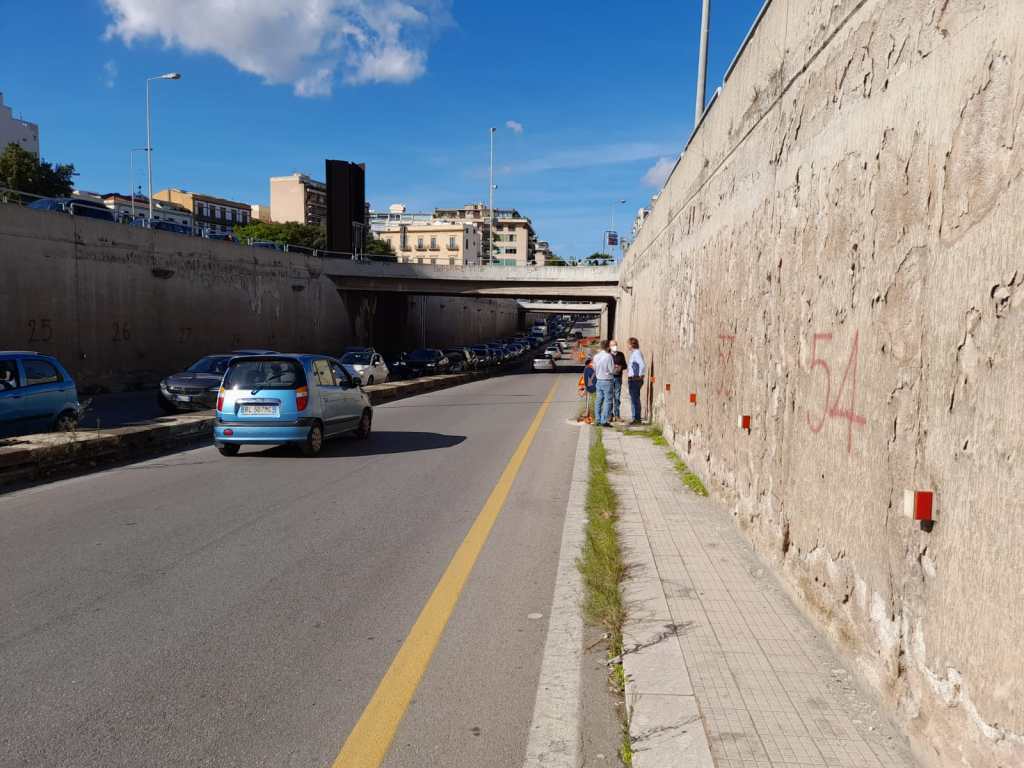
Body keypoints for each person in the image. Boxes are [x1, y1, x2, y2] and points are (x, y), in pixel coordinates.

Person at [592, 340, 615, 427]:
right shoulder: (608, 356)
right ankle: (604, 420)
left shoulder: (596, 356)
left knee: (598, 400)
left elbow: (594, 368)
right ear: (608, 347)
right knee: (607, 401)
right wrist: (616, 369)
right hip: (607, 380)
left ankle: (597, 419)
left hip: (599, 380)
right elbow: (611, 370)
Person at [627, 337, 646, 424]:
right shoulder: (634, 353)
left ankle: (637, 418)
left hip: (635, 379)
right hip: (633, 379)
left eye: (628, 344)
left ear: (631, 345)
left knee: (635, 399)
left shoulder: (636, 353)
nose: (627, 346)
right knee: (634, 398)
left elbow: (642, 364)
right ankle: (635, 417)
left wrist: (640, 375)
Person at [609, 339, 627, 423]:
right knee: (609, 397)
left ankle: (617, 415)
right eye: (613, 345)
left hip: (618, 378)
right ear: (610, 346)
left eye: (615, 345)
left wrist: (620, 367)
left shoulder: (621, 354)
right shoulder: (608, 355)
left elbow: (625, 365)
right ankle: (610, 415)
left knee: (617, 396)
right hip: (610, 378)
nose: (614, 346)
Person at [578, 356, 596, 423]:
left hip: (591, 388)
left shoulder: (587, 369)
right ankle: (589, 416)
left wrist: (584, 390)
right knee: (592, 402)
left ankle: (588, 415)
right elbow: (587, 381)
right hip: (594, 388)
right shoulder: (590, 369)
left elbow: (586, 381)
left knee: (590, 402)